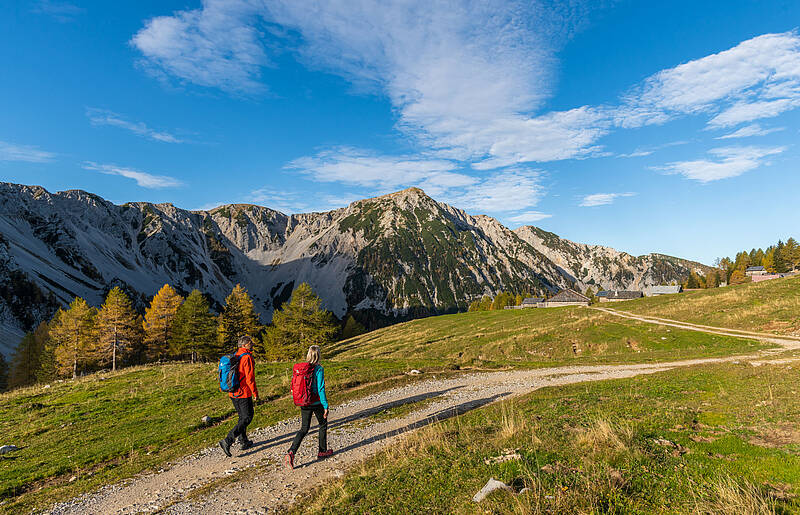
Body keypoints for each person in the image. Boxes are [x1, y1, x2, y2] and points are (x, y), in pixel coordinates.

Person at [285, 345, 333, 469]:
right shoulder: (318, 369)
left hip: (304, 402)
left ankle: (291, 452)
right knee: (322, 424)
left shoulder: (301, 369)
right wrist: (325, 405)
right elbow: (320, 388)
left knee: (304, 428)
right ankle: (322, 451)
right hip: (316, 402)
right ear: (318, 355)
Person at [219, 335, 259, 457]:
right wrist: (255, 393)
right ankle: (228, 440)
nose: (252, 343)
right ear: (244, 345)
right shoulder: (246, 357)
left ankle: (244, 441)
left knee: (242, 417)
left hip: (233, 392)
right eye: (250, 342)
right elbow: (249, 378)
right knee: (247, 417)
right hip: (243, 392)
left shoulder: (236, 355)